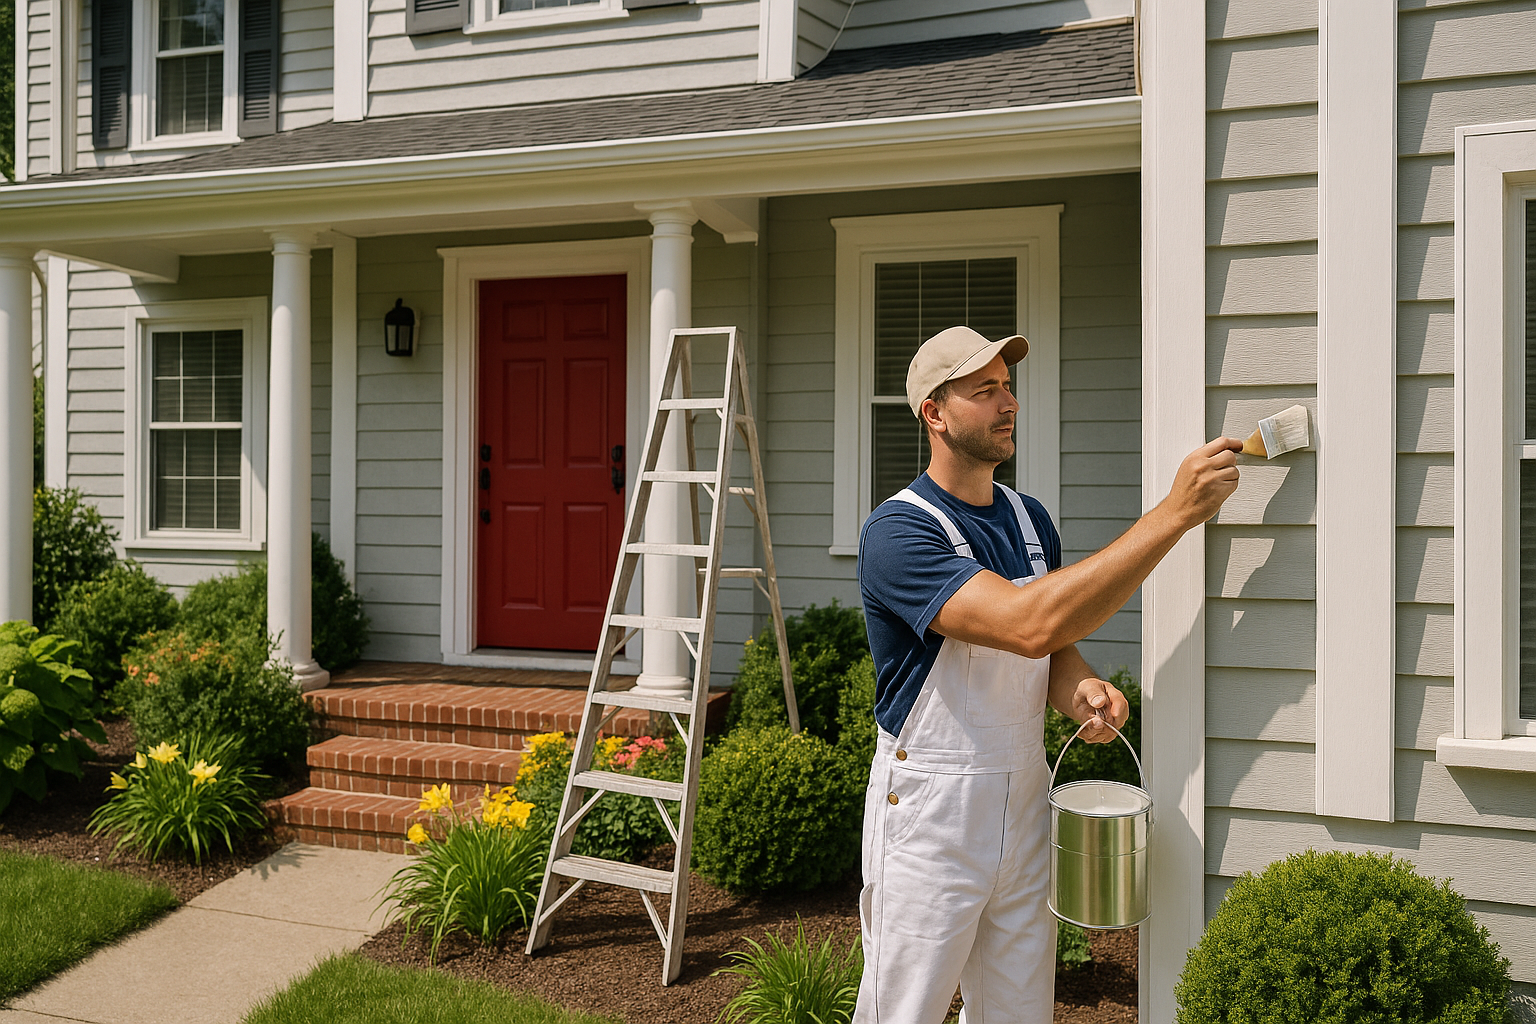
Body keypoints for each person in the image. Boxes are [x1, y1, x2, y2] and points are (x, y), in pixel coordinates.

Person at [855, 325, 1242, 1023]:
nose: (1009, 404)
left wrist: (1080, 690)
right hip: (932, 815)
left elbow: (1050, 646)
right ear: (934, 414)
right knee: (901, 1011)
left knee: (1019, 1010)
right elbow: (1024, 621)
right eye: (985, 391)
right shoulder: (898, 533)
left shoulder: (1028, 520)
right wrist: (1174, 515)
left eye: (1009, 387)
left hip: (1026, 797)